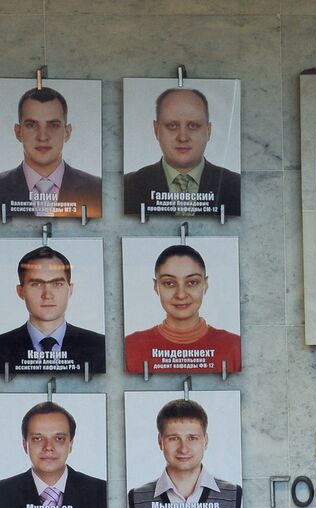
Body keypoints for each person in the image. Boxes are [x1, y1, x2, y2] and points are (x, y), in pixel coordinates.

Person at [124, 244, 241, 374]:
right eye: (169, 283)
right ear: (156, 286)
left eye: (192, 282)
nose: (181, 295)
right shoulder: (130, 347)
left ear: (205, 284)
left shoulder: (234, 346)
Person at [123, 87, 240, 216]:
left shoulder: (237, 186)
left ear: (208, 131)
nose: (183, 137)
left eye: (193, 126)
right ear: (156, 130)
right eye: (172, 126)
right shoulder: (126, 187)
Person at [128, 398, 243, 508]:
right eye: (174, 438)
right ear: (160, 442)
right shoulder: (135, 500)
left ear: (205, 440)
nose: (183, 448)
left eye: (192, 438)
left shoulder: (236, 496)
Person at [0, 245, 106, 375]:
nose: (47, 295)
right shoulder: (2, 347)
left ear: (70, 290)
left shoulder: (102, 347)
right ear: (21, 291)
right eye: (36, 284)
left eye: (57, 284)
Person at [0, 401, 106, 508]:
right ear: (25, 444)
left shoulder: (103, 493)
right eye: (37, 439)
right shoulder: (3, 494)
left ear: (70, 444)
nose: (48, 447)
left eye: (59, 438)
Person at [0, 86, 101, 218]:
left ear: (67, 132)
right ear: (18, 132)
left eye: (53, 125)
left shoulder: (98, 190)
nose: (42, 137)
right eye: (31, 125)